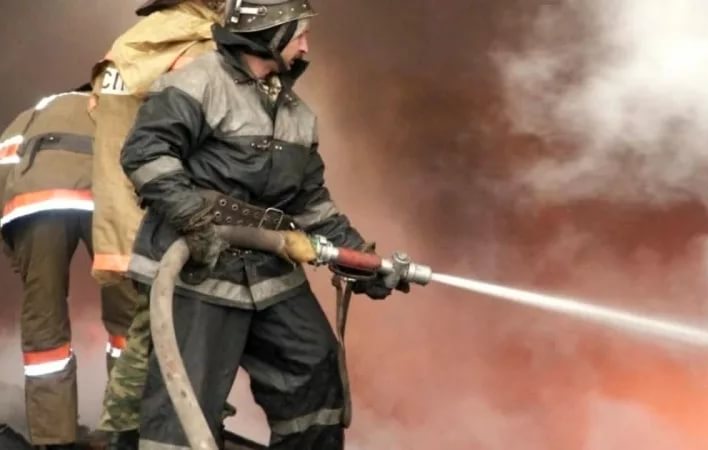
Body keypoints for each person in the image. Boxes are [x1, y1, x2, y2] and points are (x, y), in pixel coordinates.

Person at [120, 1, 405, 448]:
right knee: (186, 401)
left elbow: (311, 204)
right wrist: (193, 219)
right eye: (299, 35)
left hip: (268, 268)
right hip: (198, 267)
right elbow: (145, 153)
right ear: (269, 32)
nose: (305, 47)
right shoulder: (198, 82)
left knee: (313, 364)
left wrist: (362, 262)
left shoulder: (296, 114)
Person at [87, 2, 224, 447]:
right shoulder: (197, 45)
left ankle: (126, 433)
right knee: (168, 336)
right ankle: (133, 436)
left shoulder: (130, 44)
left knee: (149, 335)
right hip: (163, 215)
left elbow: (100, 115)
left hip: (123, 212)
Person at [0, 89, 136, 450]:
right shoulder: (116, 104)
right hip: (104, 198)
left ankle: (55, 438)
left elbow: (3, 168)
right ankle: (130, 424)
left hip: (34, 203)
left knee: (43, 321)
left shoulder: (38, 109)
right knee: (129, 316)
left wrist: (14, 248)